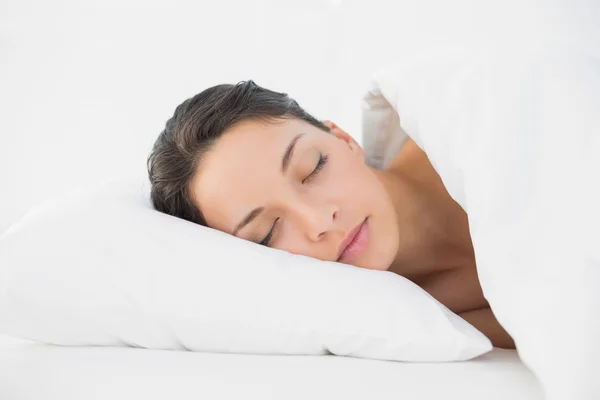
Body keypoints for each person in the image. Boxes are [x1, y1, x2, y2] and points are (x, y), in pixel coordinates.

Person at [147, 80, 515, 349]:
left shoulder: (479, 123)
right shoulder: (442, 328)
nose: (320, 222)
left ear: (343, 139)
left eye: (312, 168)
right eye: (267, 233)